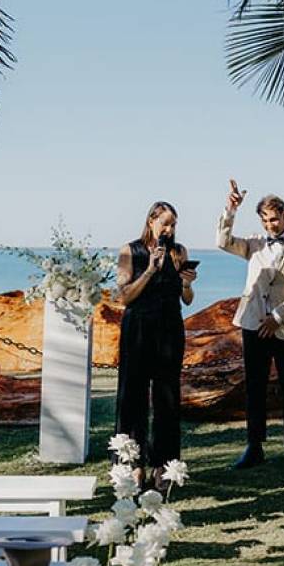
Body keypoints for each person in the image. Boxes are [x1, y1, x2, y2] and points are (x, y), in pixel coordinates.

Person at [218, 180, 284, 470]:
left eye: (274, 219)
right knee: (255, 387)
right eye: (265, 221)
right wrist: (230, 210)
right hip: (252, 324)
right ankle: (254, 446)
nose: (270, 226)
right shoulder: (254, 244)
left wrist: (277, 317)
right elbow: (222, 242)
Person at [114, 201, 197, 490]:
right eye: (166, 223)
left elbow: (186, 300)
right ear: (151, 221)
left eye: (174, 224)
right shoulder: (130, 251)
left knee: (167, 398)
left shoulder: (179, 252)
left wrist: (186, 283)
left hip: (169, 329)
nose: (170, 229)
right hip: (137, 329)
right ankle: (131, 464)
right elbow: (123, 297)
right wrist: (149, 270)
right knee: (132, 397)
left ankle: (164, 465)